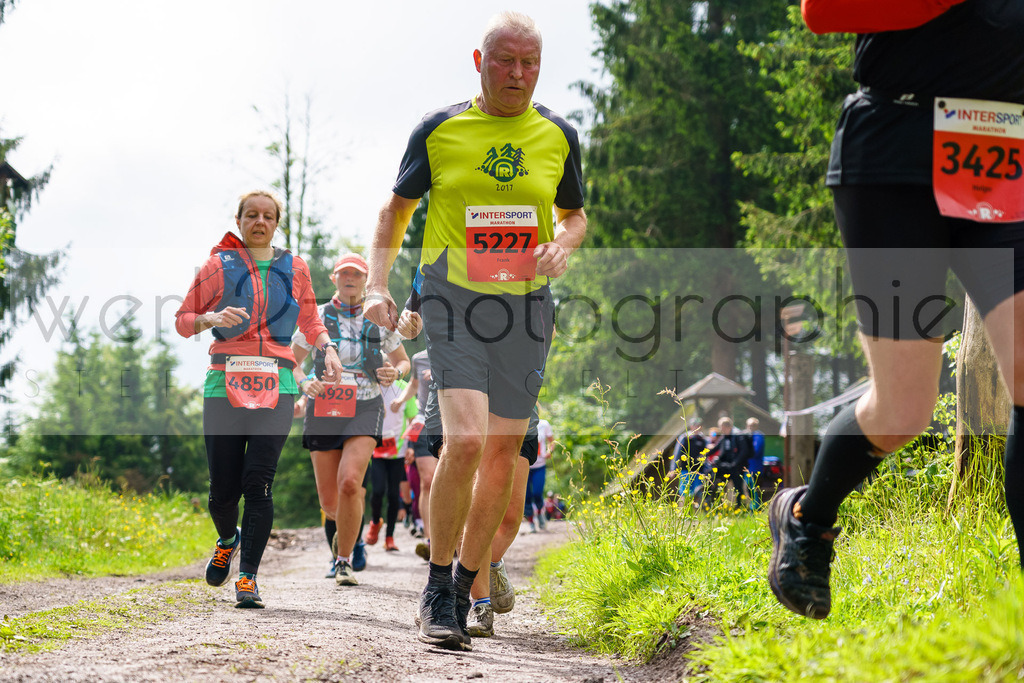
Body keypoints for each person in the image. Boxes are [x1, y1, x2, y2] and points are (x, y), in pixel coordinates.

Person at [770, 0, 1024, 621]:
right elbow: (822, 11)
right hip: (893, 153)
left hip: (1000, 153)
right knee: (904, 409)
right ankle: (807, 517)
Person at [364, 11, 587, 651]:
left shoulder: (559, 135)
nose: (518, 74)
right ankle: (437, 587)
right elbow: (394, 210)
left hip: (525, 308)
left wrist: (563, 245)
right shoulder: (438, 130)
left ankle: (467, 583)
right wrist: (378, 284)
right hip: (453, 299)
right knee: (463, 439)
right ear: (479, 61)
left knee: (501, 450)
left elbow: (574, 216)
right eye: (505, 61)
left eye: (530, 63)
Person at [175, 190, 343, 609]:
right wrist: (210, 318)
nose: (260, 222)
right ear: (239, 219)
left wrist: (328, 347)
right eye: (252, 215)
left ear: (277, 223)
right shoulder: (218, 266)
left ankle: (247, 576)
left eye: (268, 216)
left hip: (279, 386)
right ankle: (227, 539)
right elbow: (182, 321)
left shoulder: (295, 267)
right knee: (222, 491)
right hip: (223, 384)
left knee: (259, 483)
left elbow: (310, 318)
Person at [290, 253, 411, 587]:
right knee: (331, 501)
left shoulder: (378, 316)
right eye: (344, 273)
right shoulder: (317, 317)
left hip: (366, 405)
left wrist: (394, 372)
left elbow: (404, 363)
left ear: (365, 279)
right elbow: (292, 361)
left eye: (356, 274)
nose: (350, 279)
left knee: (350, 483)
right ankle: (347, 528)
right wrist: (304, 384)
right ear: (333, 278)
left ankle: (343, 559)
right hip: (324, 407)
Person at [366, 378, 418, 551]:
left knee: (394, 494)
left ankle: (389, 537)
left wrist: (411, 446)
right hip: (377, 449)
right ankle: (375, 522)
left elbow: (413, 420)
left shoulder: (404, 387)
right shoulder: (371, 384)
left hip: (398, 451)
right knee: (378, 490)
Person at [395, 349, 437, 560]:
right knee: (428, 482)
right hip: (425, 422)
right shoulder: (419, 358)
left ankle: (457, 538)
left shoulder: (463, 349)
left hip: (455, 421)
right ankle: (431, 541)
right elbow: (414, 384)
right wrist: (401, 400)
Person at [701, 417, 751, 510]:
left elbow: (744, 451)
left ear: (726, 426)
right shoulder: (724, 437)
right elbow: (716, 448)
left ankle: (740, 507)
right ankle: (714, 504)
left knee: (738, 488)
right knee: (714, 479)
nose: (721, 429)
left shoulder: (738, 436)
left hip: (737, 468)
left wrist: (735, 463)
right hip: (726, 467)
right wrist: (703, 455)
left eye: (721, 427)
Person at [524, 415, 555, 532]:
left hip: (540, 465)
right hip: (525, 466)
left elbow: (552, 442)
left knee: (537, 493)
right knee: (526, 496)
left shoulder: (544, 424)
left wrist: (549, 451)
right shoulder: (520, 423)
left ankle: (540, 512)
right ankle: (531, 522)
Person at [671, 417, 707, 501]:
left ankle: (696, 513)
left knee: (698, 493)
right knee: (684, 493)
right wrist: (673, 469)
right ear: (691, 426)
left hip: (699, 471)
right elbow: (676, 454)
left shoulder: (703, 439)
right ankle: (682, 512)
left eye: (699, 426)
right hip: (686, 470)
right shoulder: (684, 437)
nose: (697, 427)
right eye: (695, 426)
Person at [745, 417, 765, 509]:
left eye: (752, 425)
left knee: (754, 489)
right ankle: (752, 506)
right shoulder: (750, 436)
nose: (750, 427)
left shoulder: (758, 436)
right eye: (749, 425)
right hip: (749, 467)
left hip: (755, 467)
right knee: (749, 489)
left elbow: (756, 451)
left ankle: (756, 508)